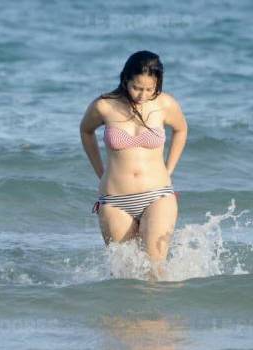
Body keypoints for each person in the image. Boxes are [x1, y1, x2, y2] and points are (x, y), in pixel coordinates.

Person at [80, 50, 188, 277]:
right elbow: (86, 131)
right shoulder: (104, 106)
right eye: (137, 87)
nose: (143, 94)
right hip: (115, 201)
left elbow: (181, 129)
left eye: (150, 88)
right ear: (125, 79)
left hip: (158, 196)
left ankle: (156, 314)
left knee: (154, 273)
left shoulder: (165, 104)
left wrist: (169, 169)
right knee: (124, 276)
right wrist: (101, 172)